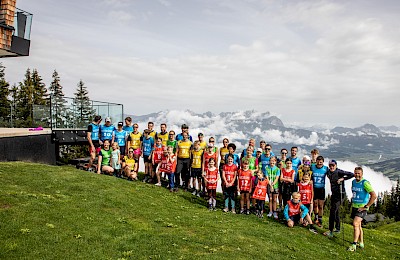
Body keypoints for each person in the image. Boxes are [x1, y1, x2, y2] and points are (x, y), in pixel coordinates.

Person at [348, 167, 377, 252]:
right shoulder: (353, 182)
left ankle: (354, 244)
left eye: (358, 173)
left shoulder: (365, 183)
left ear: (362, 173)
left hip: (362, 208)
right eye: (355, 173)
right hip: (354, 206)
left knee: (355, 224)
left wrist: (366, 206)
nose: (357, 175)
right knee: (359, 225)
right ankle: (361, 242)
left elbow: (374, 195)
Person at [324, 160, 354, 237]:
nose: (331, 167)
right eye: (330, 165)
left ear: (336, 165)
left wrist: (343, 179)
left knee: (332, 212)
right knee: (336, 212)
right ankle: (337, 228)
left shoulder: (339, 172)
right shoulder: (329, 172)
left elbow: (352, 174)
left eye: (333, 165)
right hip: (334, 194)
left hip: (340, 195)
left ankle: (330, 231)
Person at [310, 155, 328, 227]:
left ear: (323, 162)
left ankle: (320, 219)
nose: (319, 163)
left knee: (321, 205)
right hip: (314, 188)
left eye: (321, 162)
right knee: (315, 204)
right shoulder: (313, 167)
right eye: (318, 162)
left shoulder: (326, 168)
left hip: (321, 189)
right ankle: (316, 217)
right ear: (316, 162)